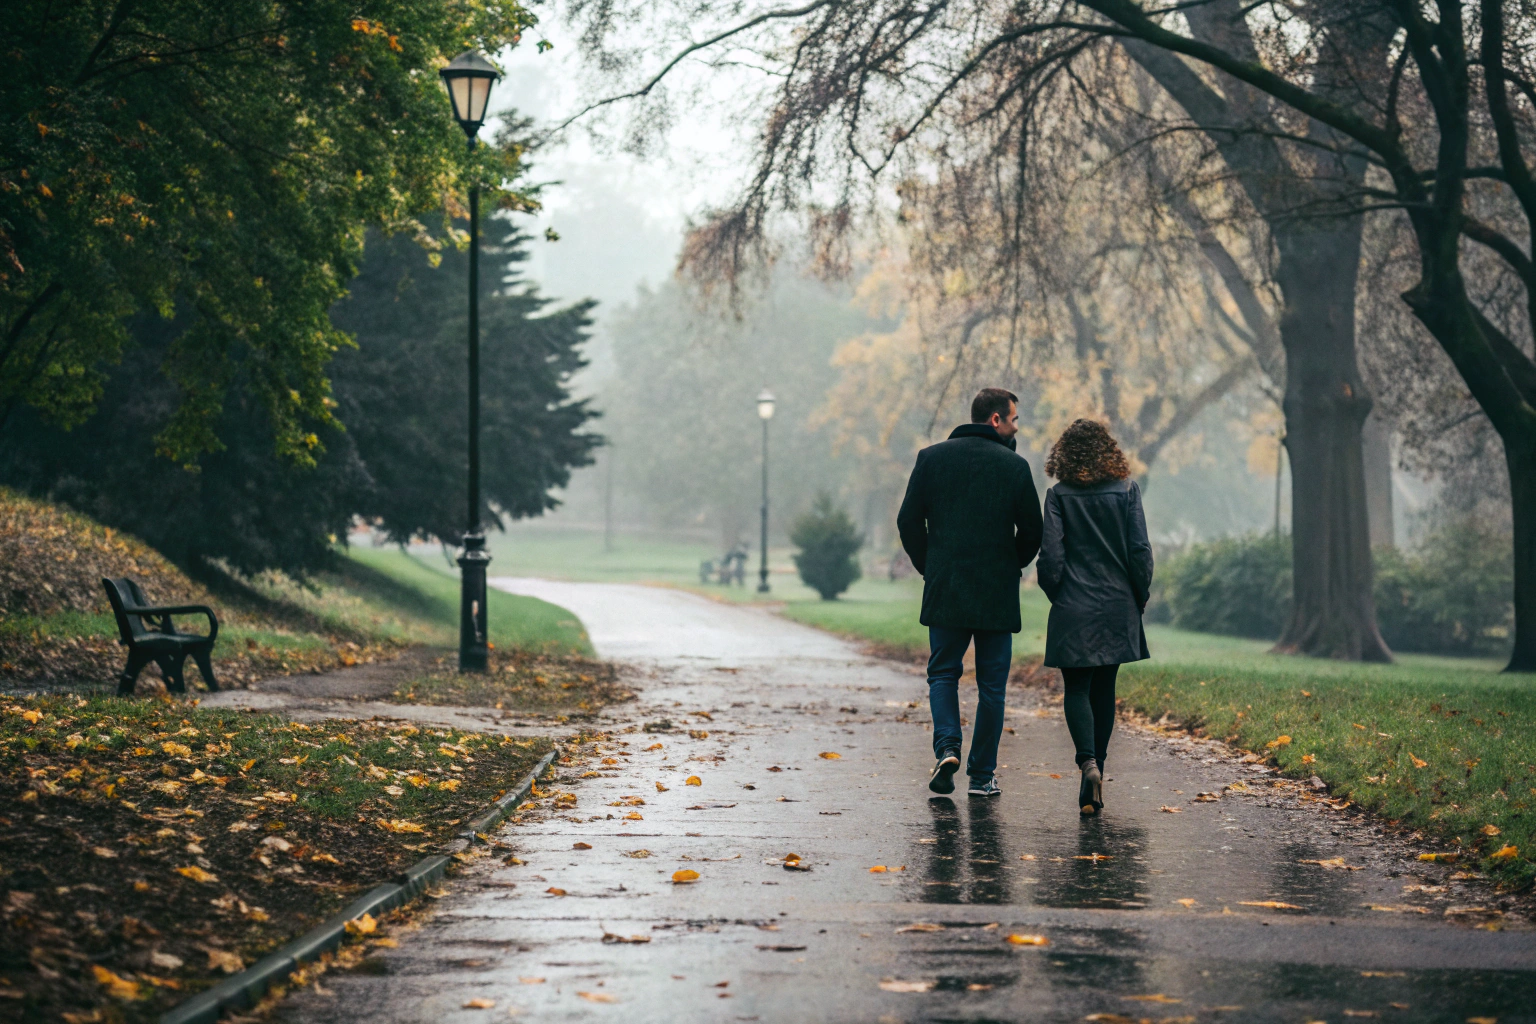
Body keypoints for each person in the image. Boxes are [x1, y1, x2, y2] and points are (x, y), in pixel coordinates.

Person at [897, 387, 1043, 797]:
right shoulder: (1014, 466)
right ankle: (981, 777)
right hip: (995, 592)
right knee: (992, 687)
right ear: (995, 420)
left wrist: (932, 567)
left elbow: (908, 522)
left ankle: (947, 746)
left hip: (947, 587)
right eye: (1014, 420)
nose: (1016, 428)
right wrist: (1010, 564)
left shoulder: (931, 459)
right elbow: (1033, 531)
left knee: (943, 674)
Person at [1037, 419, 1153, 816]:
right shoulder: (1127, 492)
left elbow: (1050, 558)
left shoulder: (1058, 496)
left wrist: (1059, 595)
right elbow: (1140, 551)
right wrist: (1140, 595)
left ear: (1064, 455)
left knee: (1077, 688)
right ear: (1109, 453)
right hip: (1117, 605)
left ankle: (1086, 763)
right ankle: (1097, 771)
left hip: (1074, 606)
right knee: (1104, 689)